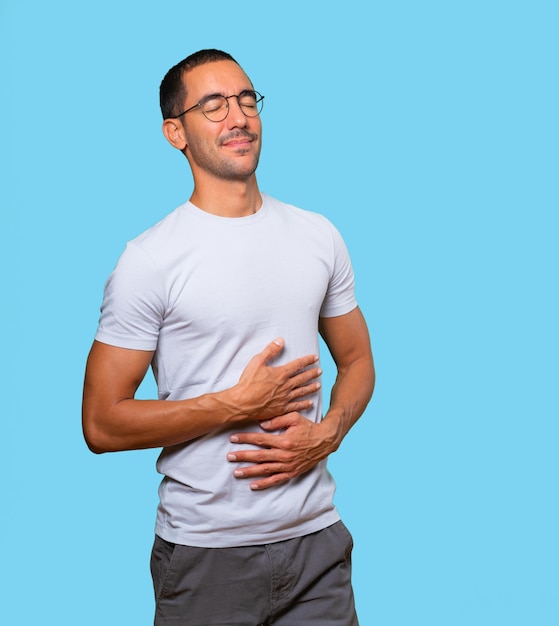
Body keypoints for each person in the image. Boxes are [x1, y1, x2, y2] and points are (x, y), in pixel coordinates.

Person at [82, 48, 375, 626]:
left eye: (246, 100)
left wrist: (328, 433)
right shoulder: (150, 260)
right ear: (176, 133)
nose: (237, 117)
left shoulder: (318, 236)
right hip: (207, 555)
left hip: (317, 544)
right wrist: (235, 405)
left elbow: (359, 359)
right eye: (212, 105)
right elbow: (100, 423)